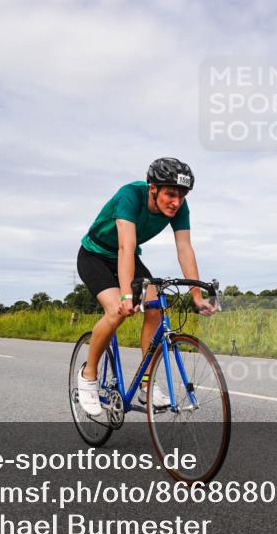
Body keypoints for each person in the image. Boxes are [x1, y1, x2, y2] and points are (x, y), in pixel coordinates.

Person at [75, 157, 218, 416]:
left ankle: (147, 384)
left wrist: (196, 296)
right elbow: (125, 247)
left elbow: (184, 248)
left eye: (182, 195)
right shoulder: (130, 195)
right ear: (153, 188)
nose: (176, 201)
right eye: (171, 194)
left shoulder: (179, 209)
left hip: (128, 257)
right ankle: (88, 376)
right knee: (116, 311)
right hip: (95, 255)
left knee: (155, 308)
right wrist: (127, 295)